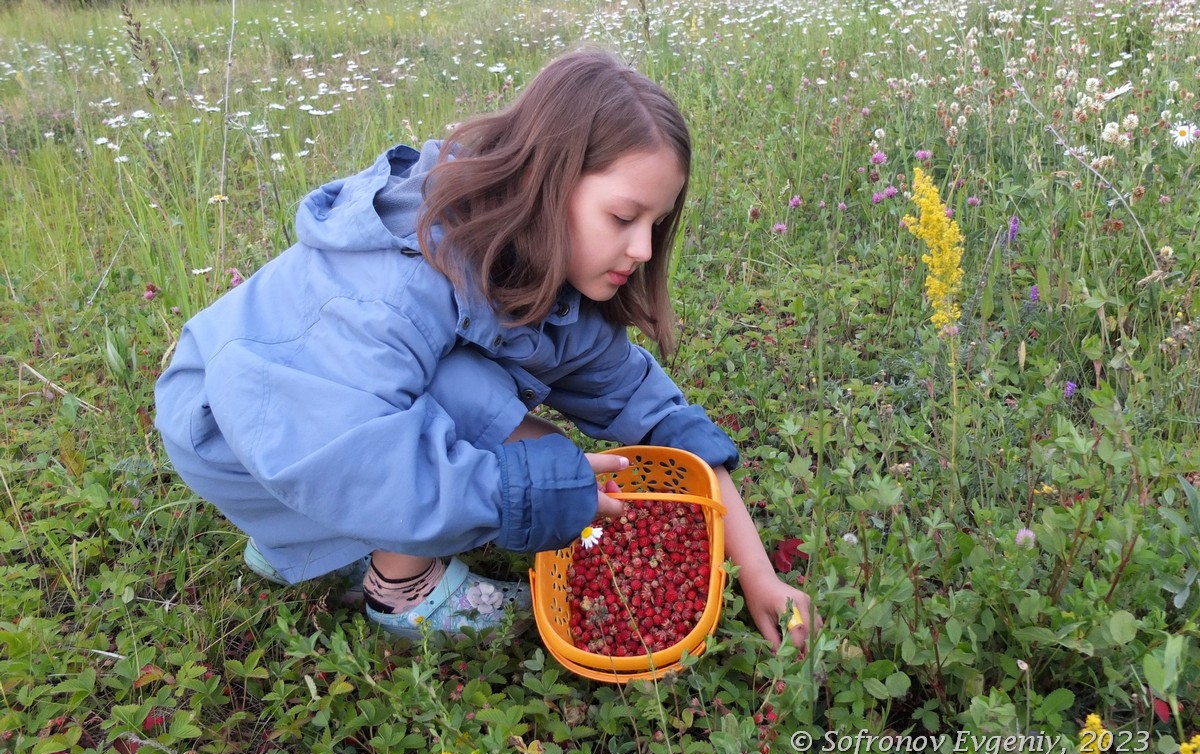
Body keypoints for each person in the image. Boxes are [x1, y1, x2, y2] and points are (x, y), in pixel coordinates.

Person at [154, 46, 820, 652]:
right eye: (623, 218)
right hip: (233, 425)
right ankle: (398, 587)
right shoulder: (402, 284)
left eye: (656, 222)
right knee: (460, 396)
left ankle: (306, 536)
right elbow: (352, 448)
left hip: (301, 418)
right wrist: (530, 492)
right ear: (550, 182)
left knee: (472, 402)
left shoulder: (541, 269)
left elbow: (648, 409)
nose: (643, 249)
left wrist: (760, 574)